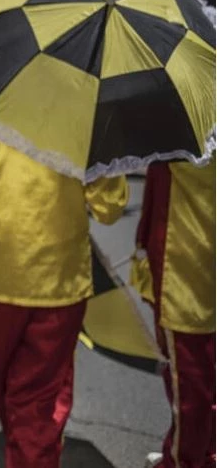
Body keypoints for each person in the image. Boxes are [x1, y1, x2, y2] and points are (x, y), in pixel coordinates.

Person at [0, 103, 128, 467]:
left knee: (8, 389)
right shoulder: (91, 96)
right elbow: (110, 206)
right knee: (40, 399)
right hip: (56, 272)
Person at [131, 161, 215, 468]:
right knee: (202, 377)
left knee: (189, 382)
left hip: (185, 273)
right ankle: (202, 449)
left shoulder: (180, 123)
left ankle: (185, 459)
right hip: (192, 269)